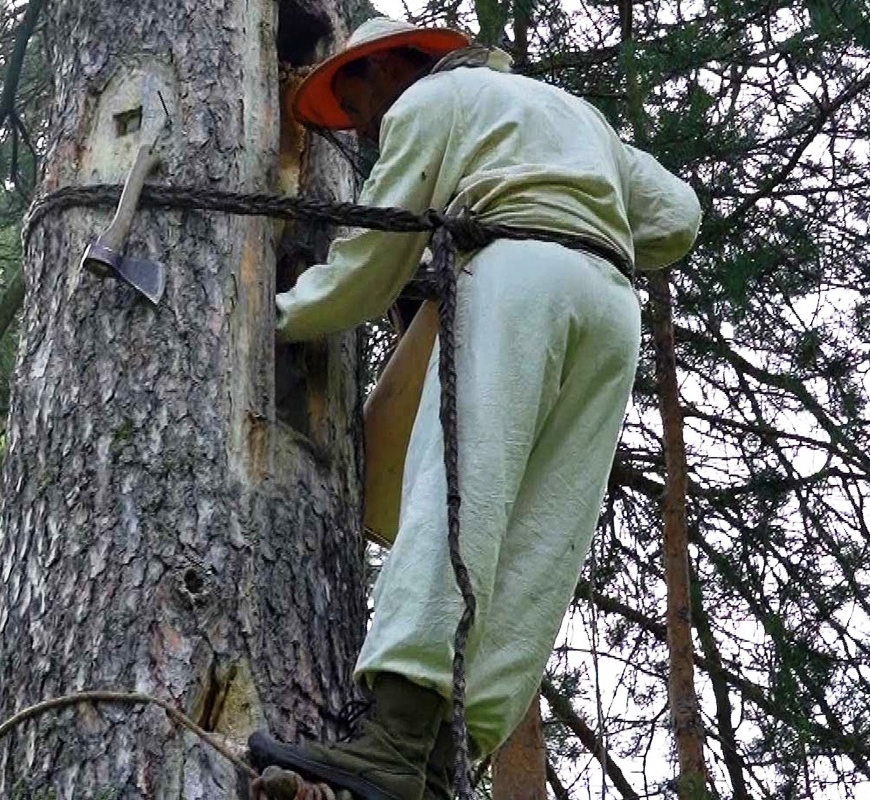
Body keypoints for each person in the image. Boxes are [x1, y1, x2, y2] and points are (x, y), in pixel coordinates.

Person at [249, 16, 701, 800]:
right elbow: (677, 216)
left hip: (515, 277)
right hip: (608, 305)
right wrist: (586, 219)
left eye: (356, 97)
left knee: (458, 493)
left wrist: (275, 316)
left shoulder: (434, 101)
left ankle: (393, 737)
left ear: (392, 66)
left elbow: (372, 262)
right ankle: (444, 760)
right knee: (540, 534)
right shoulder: (570, 114)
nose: (361, 124)